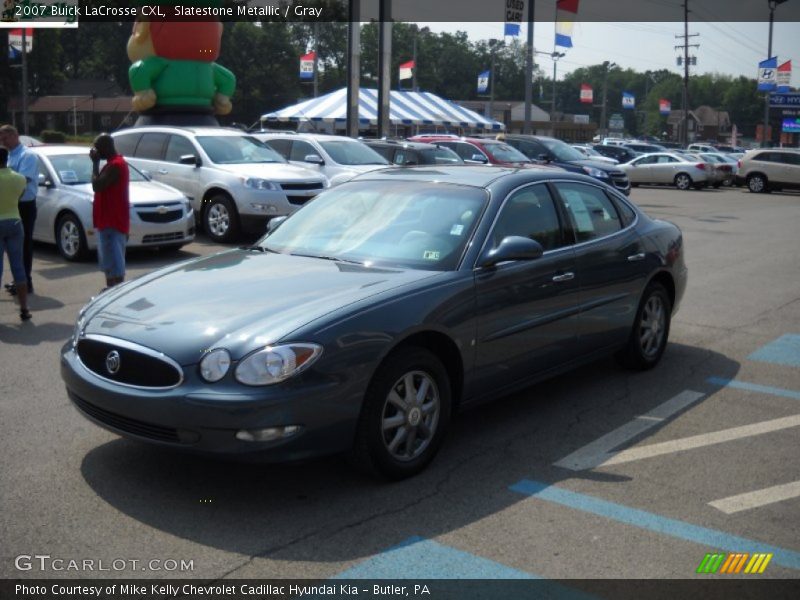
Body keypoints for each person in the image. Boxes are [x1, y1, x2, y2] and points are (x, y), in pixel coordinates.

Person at [0, 124, 38, 296]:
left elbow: (24, 181)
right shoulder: (8, 156)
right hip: (11, 205)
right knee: (12, 247)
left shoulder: (27, 155)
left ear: (15, 136)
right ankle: (18, 280)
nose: (2, 141)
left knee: (24, 244)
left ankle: (26, 281)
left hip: (24, 205)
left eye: (5, 138)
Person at [90, 134, 130, 290]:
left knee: (115, 268)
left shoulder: (116, 165)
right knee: (109, 268)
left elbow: (97, 185)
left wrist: (94, 164)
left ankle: (117, 297)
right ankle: (111, 296)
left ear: (106, 147)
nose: (96, 152)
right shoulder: (111, 164)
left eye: (97, 148)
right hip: (106, 222)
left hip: (113, 223)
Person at [0, 147, 31, 320]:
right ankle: (24, 309)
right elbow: (20, 196)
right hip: (15, 222)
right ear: (7, 160)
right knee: (18, 267)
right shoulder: (19, 179)